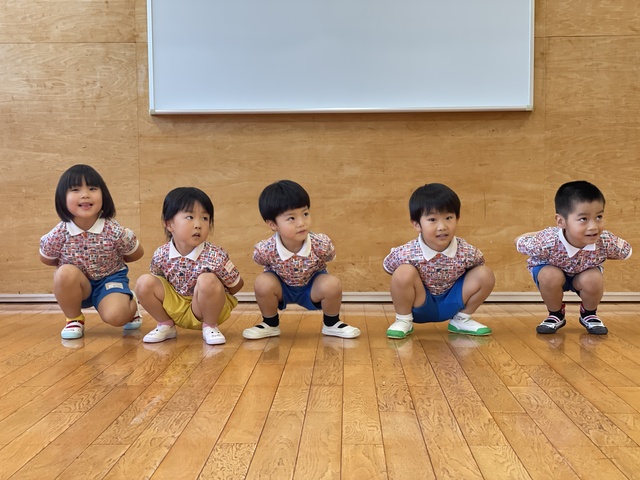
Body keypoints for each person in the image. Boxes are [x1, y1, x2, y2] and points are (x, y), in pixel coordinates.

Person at [243, 180, 360, 340]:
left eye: (305, 214)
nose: (301, 223)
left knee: (332, 284)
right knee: (262, 282)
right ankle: (270, 323)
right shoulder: (266, 249)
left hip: (311, 287)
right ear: (272, 224)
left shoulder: (321, 244)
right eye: (291, 218)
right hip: (282, 288)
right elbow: (259, 260)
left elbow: (330, 256)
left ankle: (332, 323)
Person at [39, 164, 144, 340]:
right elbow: (46, 258)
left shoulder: (114, 230)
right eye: (75, 189)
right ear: (62, 198)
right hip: (79, 286)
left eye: (92, 188)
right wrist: (70, 274)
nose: (85, 194)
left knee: (117, 316)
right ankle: (74, 319)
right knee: (64, 273)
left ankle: (129, 303)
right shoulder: (59, 233)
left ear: (104, 195)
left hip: (109, 280)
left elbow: (136, 253)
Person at [515, 180, 632, 335]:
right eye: (583, 219)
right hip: (553, 273)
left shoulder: (604, 241)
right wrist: (537, 234)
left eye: (599, 216)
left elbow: (626, 251)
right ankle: (555, 314)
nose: (593, 226)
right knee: (549, 275)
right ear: (561, 221)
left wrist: (604, 254)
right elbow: (519, 242)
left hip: (582, 274)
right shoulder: (546, 242)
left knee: (593, 277)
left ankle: (589, 314)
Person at [383, 183, 495, 339]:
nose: (442, 227)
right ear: (417, 224)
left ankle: (461, 319)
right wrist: (410, 282)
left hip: (453, 303)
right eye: (432, 219)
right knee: (403, 272)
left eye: (448, 218)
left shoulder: (468, 251)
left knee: (485, 274)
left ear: (457, 218)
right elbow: (388, 267)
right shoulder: (406, 252)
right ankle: (403, 320)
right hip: (420, 304)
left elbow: (478, 266)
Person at [136, 187, 244, 345]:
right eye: (190, 217)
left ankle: (210, 326)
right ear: (169, 224)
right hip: (175, 308)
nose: (198, 224)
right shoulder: (161, 254)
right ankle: (165, 325)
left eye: (205, 218)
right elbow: (158, 282)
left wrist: (213, 292)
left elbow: (236, 285)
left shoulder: (216, 255)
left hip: (206, 309)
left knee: (208, 280)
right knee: (144, 282)